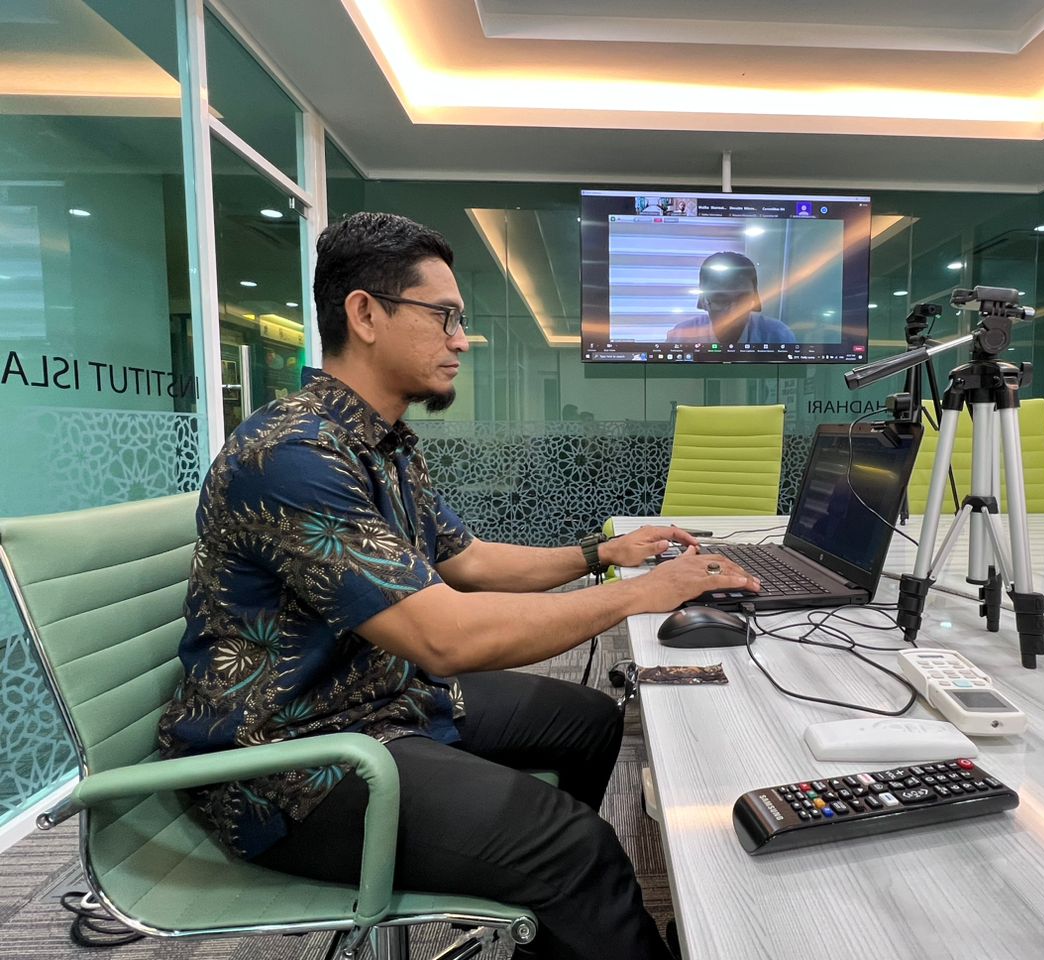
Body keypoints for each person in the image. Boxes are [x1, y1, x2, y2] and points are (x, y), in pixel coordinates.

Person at [156, 212, 759, 960]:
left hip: (376, 696)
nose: (462, 339)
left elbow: (467, 560)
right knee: (577, 846)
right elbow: (444, 638)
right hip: (289, 760)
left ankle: (556, 921)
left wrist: (602, 554)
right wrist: (639, 592)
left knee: (590, 720)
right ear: (365, 314)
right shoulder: (295, 455)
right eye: (444, 316)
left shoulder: (380, 441)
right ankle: (563, 883)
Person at [666, 251, 797, 346]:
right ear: (703, 301)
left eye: (742, 300)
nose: (733, 312)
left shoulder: (778, 335)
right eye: (720, 300)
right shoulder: (681, 336)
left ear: (754, 298)